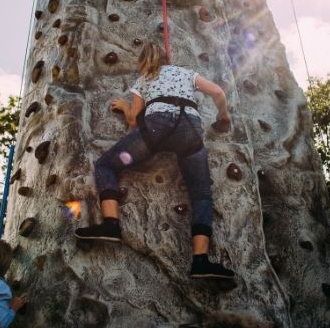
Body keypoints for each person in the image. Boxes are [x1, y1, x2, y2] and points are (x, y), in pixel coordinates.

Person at [75, 41, 235, 279]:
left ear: (143, 62)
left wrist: (125, 106)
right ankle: (200, 261)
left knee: (106, 164)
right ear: (166, 58)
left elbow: (133, 121)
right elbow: (218, 92)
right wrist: (223, 115)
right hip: (190, 131)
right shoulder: (185, 73)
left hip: (156, 129)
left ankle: (111, 224)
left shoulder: (144, 79)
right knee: (201, 195)